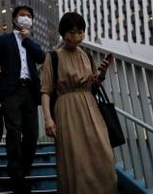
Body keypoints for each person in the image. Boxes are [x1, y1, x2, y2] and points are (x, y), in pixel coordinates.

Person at [40, 12, 116, 194]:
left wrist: (103, 73)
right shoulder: (53, 57)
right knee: (75, 157)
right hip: (66, 109)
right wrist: (48, 119)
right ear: (64, 33)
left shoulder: (87, 56)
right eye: (73, 31)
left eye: (81, 31)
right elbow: (46, 90)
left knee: (102, 152)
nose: (77, 35)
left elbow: (92, 86)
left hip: (90, 107)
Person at [0, 5, 46, 194]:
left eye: (29, 16)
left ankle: (21, 169)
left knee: (32, 134)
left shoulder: (30, 41)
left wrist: (27, 38)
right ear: (14, 19)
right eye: (22, 15)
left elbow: (42, 57)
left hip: (30, 90)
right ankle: (17, 177)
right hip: (10, 91)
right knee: (13, 132)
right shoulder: (3, 39)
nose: (25, 18)